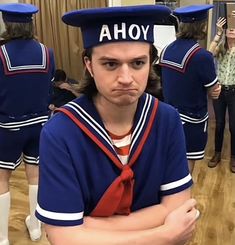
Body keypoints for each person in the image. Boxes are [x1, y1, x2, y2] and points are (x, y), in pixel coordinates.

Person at [36, 5, 200, 245]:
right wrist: (164, 235)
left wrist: (87, 226)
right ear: (89, 65)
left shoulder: (166, 120)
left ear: (150, 62)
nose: (125, 78)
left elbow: (178, 208)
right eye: (110, 64)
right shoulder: (60, 132)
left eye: (137, 63)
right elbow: (63, 238)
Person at [0, 3, 55, 245]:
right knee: (36, 176)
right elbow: (49, 86)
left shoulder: (0, 54)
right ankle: (35, 226)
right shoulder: (47, 52)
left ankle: (2, 237)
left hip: (7, 127)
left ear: (6, 23)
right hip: (40, 125)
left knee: (1, 179)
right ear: (31, 23)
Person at [159, 5, 221, 173]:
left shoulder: (166, 50)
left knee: (168, 161)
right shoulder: (202, 56)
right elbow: (214, 91)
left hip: (167, 116)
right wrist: (215, 89)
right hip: (191, 120)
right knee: (186, 167)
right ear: (202, 26)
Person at [208, 17, 235, 173]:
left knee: (233, 126)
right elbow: (208, 54)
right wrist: (218, 33)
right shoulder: (221, 47)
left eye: (234, 26)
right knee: (218, 125)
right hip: (219, 90)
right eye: (229, 26)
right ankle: (217, 153)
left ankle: (233, 156)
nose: (231, 29)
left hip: (234, 92)